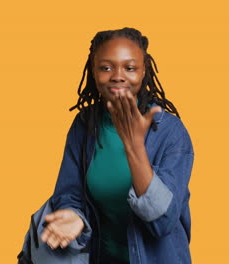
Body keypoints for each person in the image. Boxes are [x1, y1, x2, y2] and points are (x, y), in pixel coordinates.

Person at [40, 27, 195, 264]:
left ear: (143, 72)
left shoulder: (171, 133)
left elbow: (162, 221)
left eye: (129, 68)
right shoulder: (85, 124)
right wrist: (75, 216)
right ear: (94, 72)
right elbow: (69, 192)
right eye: (106, 67)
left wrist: (135, 148)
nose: (118, 76)